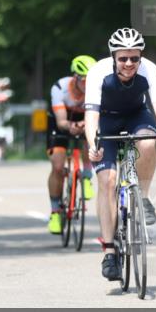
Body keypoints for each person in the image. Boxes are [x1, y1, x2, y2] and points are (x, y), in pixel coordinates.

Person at [84, 28, 156, 281]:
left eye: (134, 58)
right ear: (113, 56)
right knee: (107, 181)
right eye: (123, 58)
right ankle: (110, 252)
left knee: (147, 144)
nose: (129, 64)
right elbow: (91, 117)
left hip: (138, 115)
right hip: (106, 120)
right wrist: (93, 145)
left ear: (140, 57)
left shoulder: (151, 70)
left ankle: (143, 198)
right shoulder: (98, 73)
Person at [45, 55, 97, 234]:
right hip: (61, 122)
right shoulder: (60, 88)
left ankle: (87, 176)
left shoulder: (97, 88)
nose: (88, 85)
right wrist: (71, 126)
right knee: (58, 166)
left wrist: (86, 125)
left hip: (84, 118)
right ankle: (55, 212)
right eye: (84, 80)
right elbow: (61, 122)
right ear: (75, 77)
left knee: (90, 140)